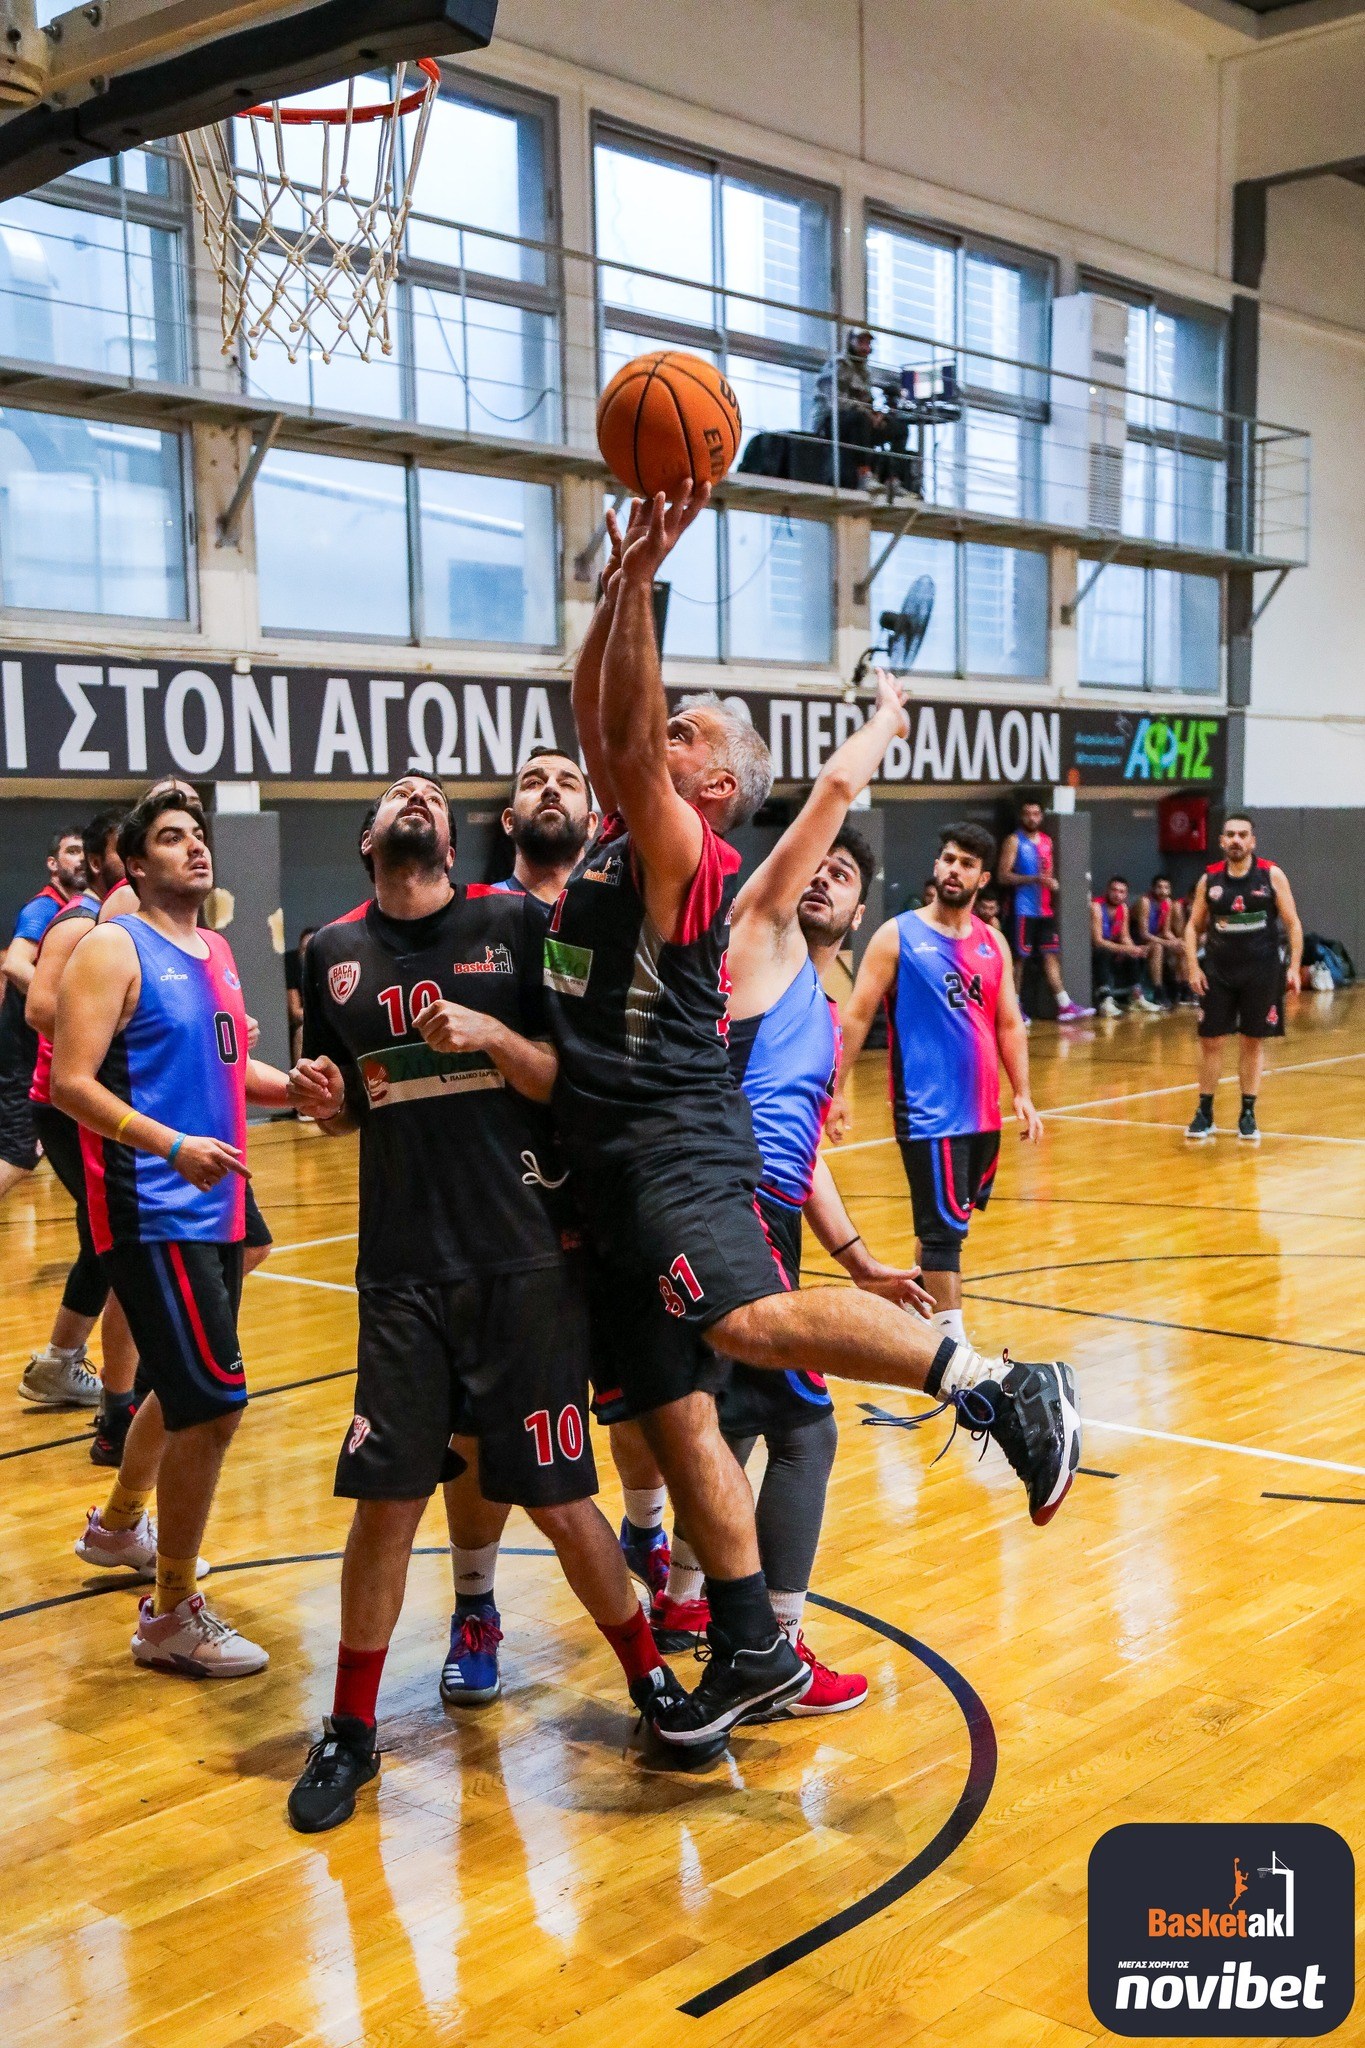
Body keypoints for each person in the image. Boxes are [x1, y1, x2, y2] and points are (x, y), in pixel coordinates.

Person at [546, 483, 1079, 1754]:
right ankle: (753, 1643)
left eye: (683, 729)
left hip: (676, 1138)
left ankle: (1000, 1384)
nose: (649, 731)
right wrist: (620, 586)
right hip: (606, 1169)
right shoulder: (626, 830)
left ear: (714, 779)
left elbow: (625, 739)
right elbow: (597, 715)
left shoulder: (689, 851)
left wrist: (649, 592)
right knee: (677, 1421)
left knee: (745, 1321)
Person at [285, 773, 695, 1834]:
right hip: (401, 1274)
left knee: (562, 1500)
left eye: (429, 791)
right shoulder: (327, 955)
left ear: (455, 836)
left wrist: (495, 1038)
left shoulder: (517, 923)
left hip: (524, 1265)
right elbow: (347, 1106)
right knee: (388, 1503)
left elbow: (575, 1077)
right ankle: (351, 1728)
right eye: (391, 794)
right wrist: (328, 1109)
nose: (413, 795)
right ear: (367, 836)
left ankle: (653, 1685)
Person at [691, 671, 934, 1713]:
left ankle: (701, 1598)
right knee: (803, 1427)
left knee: (729, 1420)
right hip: (728, 1204)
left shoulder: (817, 993)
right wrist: (887, 718)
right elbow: (834, 784)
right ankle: (775, 1646)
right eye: (815, 864)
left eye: (844, 872)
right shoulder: (758, 925)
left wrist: (858, 1259)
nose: (826, 877)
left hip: (764, 1207)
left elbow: (806, 1147)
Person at [53, 791, 313, 1677]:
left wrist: (301, 1090)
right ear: (133, 862)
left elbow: (232, 1063)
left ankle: (118, 1524)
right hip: (151, 1207)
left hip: (217, 1209)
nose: (196, 847)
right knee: (215, 1402)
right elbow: (71, 1085)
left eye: (199, 834)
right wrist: (170, 1145)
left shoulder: (218, 951)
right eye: (172, 837)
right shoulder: (111, 947)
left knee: (179, 1382)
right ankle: (169, 1613)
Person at [829, 822, 1043, 1355]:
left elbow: (1010, 1023)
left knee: (941, 1226)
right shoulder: (897, 935)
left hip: (982, 1115)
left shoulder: (994, 944)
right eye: (948, 859)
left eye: (966, 864)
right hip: (927, 1114)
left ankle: (920, 1325)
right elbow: (854, 1018)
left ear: (983, 878)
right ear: (937, 865)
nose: (954, 870)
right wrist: (836, 1093)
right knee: (945, 1235)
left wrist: (1023, 1092)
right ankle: (955, 1356)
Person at [19, 809, 140, 1455]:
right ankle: (94, 1378)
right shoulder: (79, 919)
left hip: (101, 1100)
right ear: (104, 861)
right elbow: (40, 1005)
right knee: (113, 1242)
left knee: (105, 1242)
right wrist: (115, 1025)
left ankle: (60, 1362)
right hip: (67, 1101)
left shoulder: (134, 921)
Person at [1183, 814, 1303, 1144]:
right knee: (1211, 1041)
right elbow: (1192, 927)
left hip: (1262, 972)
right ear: (1221, 841)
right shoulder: (1209, 879)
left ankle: (1247, 1113)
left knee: (1252, 1041)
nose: (1236, 840)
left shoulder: (1271, 875)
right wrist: (1193, 967)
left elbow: (1293, 924)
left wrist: (1293, 967)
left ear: (1252, 841)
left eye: (1243, 835)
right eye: (1230, 835)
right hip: (1218, 973)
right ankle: (1204, 1111)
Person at [0, 827, 86, 1217]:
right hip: (21, 1052)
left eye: (85, 851)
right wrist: (72, 1001)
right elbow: (15, 963)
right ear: (53, 865)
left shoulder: (79, 910)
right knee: (18, 1154)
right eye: (71, 851)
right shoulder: (44, 908)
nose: (80, 858)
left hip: (43, 1050)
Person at [998, 799, 1090, 1022]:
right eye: (1027, 814)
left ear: (1041, 816)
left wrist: (1051, 883)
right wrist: (1034, 879)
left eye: (1036, 813)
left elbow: (1047, 874)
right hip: (1023, 909)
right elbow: (1003, 875)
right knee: (1020, 960)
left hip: (1045, 910)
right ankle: (1014, 1007)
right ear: (1022, 816)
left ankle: (1064, 1004)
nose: (1032, 818)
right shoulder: (1014, 841)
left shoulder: (1047, 841)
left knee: (1051, 955)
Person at [811, 327, 907, 491]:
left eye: (868, 343)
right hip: (829, 422)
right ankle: (864, 475)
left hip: (856, 421)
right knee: (860, 419)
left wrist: (876, 415)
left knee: (899, 428)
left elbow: (865, 401)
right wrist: (866, 414)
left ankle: (893, 480)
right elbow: (836, 402)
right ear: (850, 342)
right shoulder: (838, 365)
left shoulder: (865, 373)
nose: (865, 347)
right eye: (861, 342)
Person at [1091, 877, 1160, 1017]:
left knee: (1133, 954)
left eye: (1122, 892)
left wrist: (1135, 949)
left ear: (1126, 895)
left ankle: (1136, 998)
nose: (1117, 894)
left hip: (1113, 949)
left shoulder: (1123, 908)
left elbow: (1124, 936)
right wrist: (1126, 948)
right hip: (1094, 951)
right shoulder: (1096, 907)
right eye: (1114, 890)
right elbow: (1098, 941)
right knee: (1103, 951)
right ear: (1107, 891)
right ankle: (1105, 1001)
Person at [1137, 875, 1191, 1009]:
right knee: (1158, 947)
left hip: (1157, 938)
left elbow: (1166, 931)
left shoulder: (1168, 903)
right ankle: (1158, 991)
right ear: (1153, 888)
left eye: (1166, 888)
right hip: (1139, 941)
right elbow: (1143, 934)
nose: (1163, 891)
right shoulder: (1145, 902)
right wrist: (1167, 943)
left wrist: (1176, 941)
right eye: (1159, 887)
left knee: (1181, 947)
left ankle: (1184, 988)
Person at [285, 928, 316, 1066]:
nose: (307, 955)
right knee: (301, 1032)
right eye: (304, 950)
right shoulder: (294, 968)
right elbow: (295, 1011)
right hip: (310, 1023)